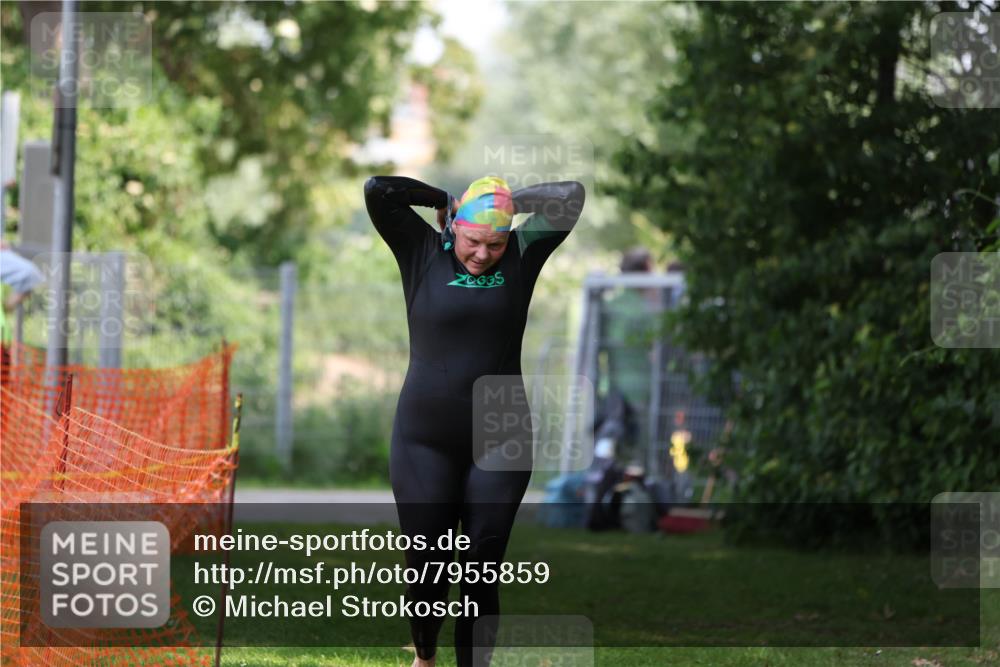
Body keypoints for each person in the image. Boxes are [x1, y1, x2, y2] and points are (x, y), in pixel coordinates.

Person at [364, 174, 585, 667]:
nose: (483, 254)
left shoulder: (523, 252)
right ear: (454, 228)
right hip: (424, 439)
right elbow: (379, 191)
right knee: (427, 566)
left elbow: (572, 196)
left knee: (481, 568)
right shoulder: (421, 251)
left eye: (495, 243)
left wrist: (506, 202)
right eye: (473, 241)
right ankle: (425, 656)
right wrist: (446, 200)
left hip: (502, 432)